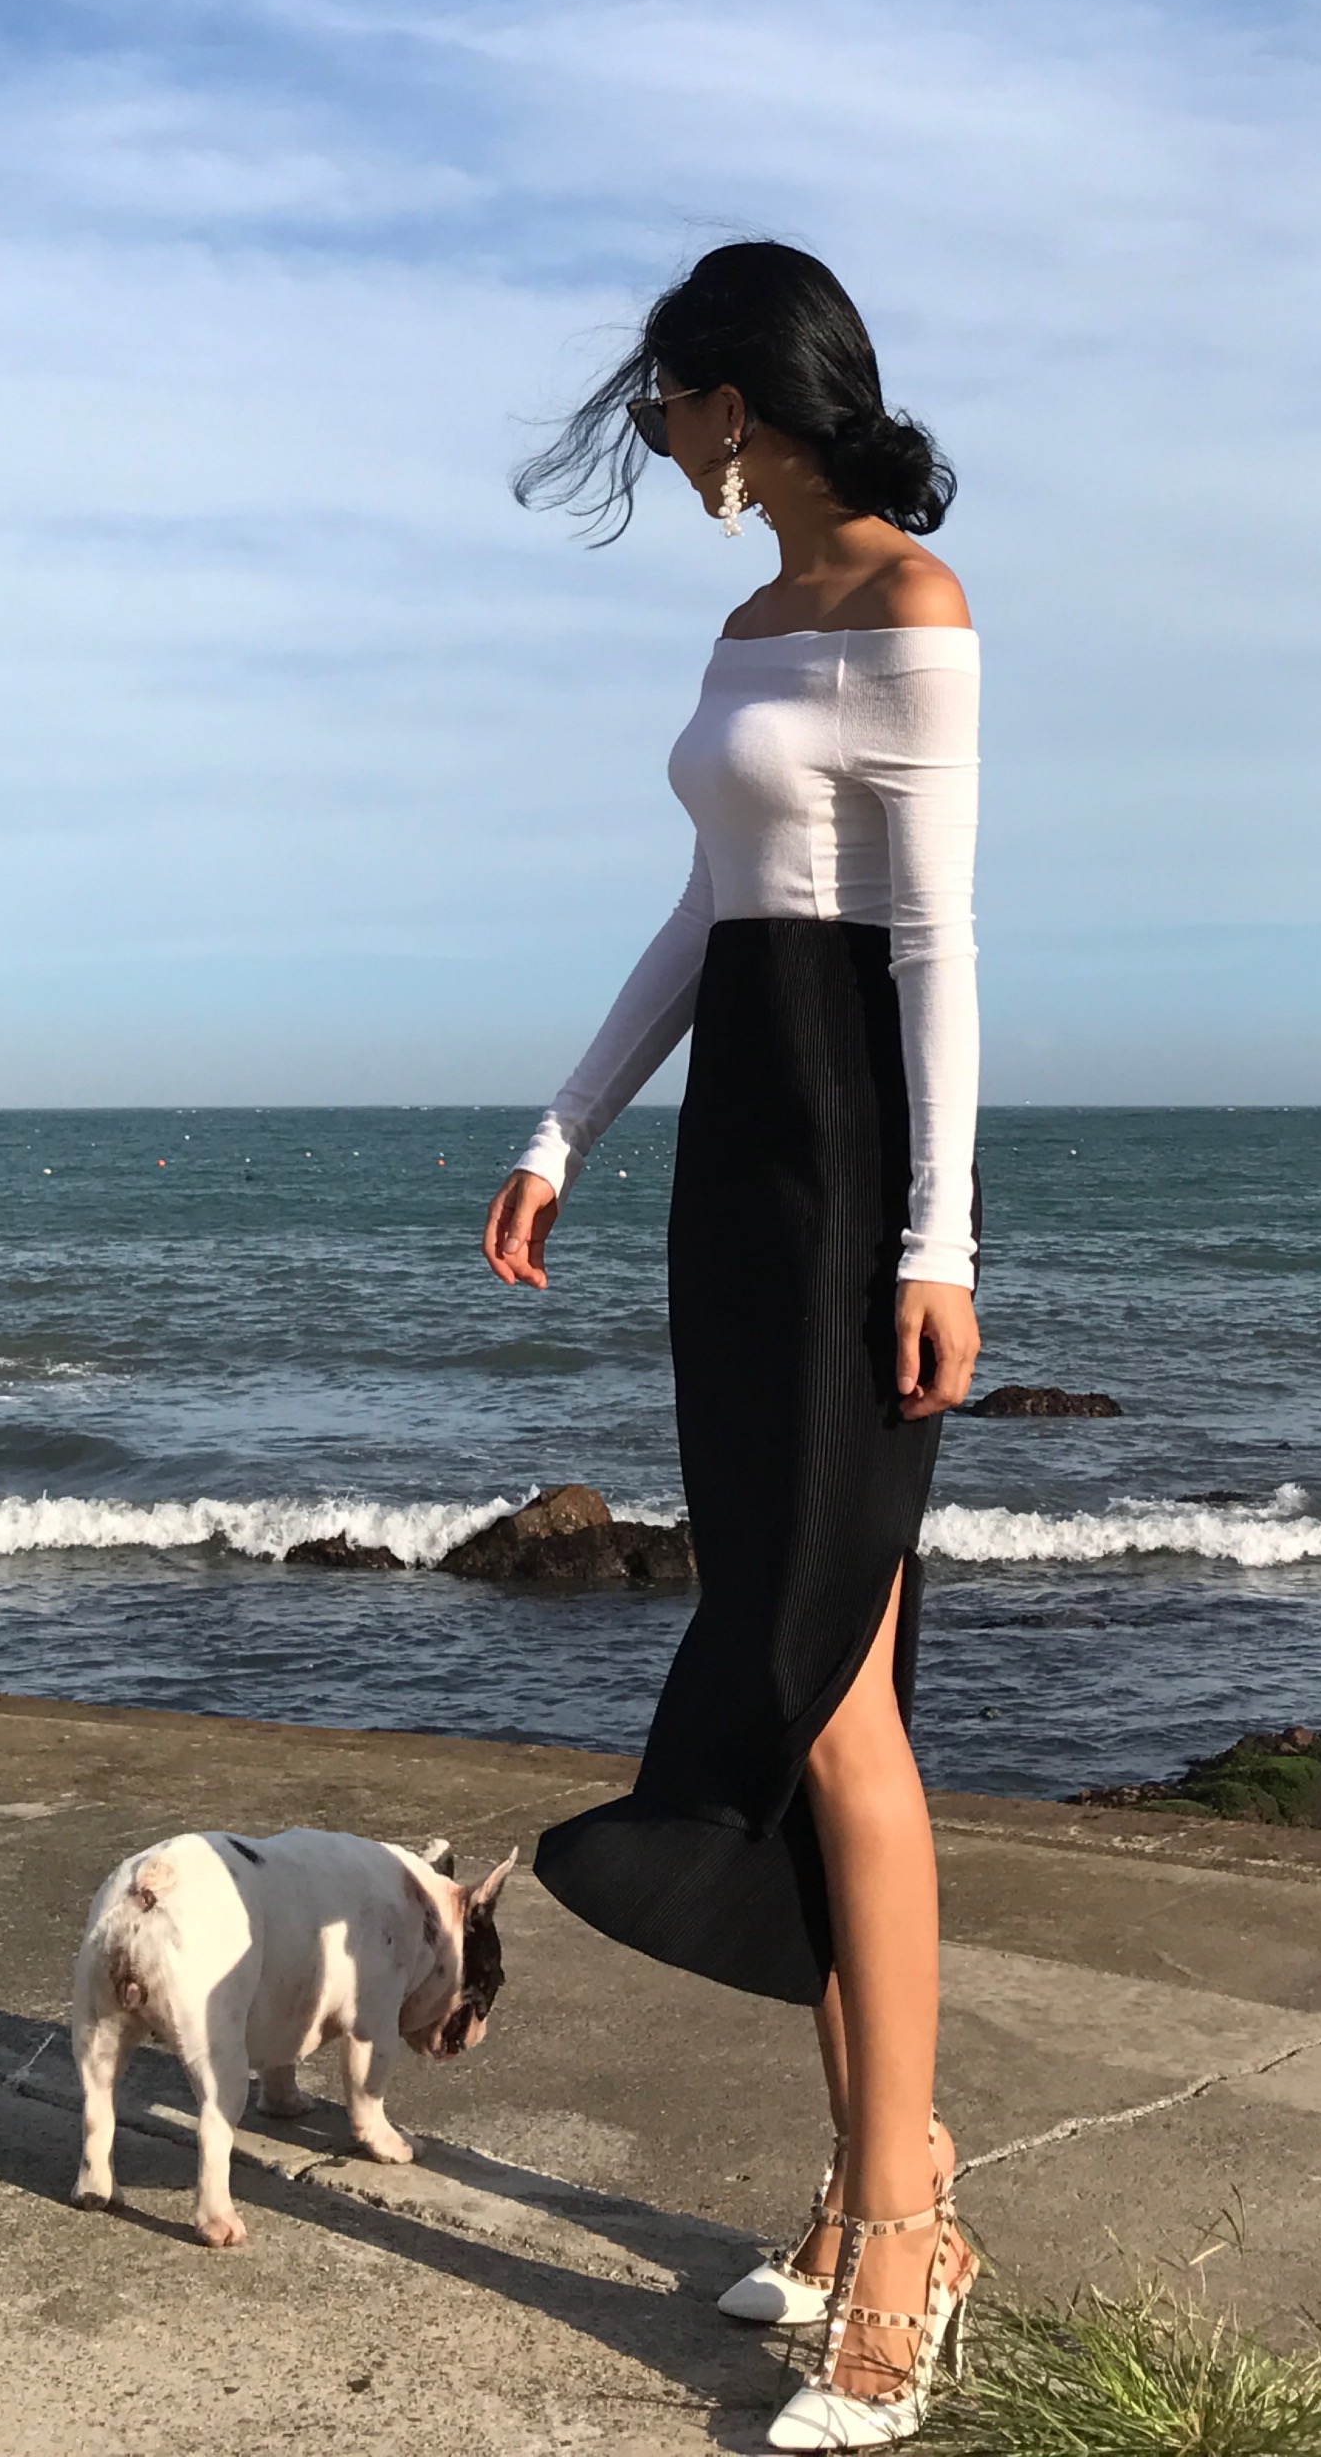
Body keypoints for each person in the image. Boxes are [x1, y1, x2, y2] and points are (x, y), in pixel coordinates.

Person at [480, 242, 983, 2451]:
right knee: (811, 1681)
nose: (654, 434)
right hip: (734, 1173)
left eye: (663, 399)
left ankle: (907, 2236)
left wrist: (935, 1244)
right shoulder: (751, 622)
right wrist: (564, 1128)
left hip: (854, 1170)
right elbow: (711, 910)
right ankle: (884, 2179)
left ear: (732, 400)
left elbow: (937, 942)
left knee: (832, 1684)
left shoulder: (910, 606)